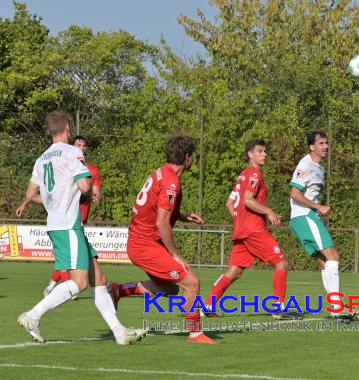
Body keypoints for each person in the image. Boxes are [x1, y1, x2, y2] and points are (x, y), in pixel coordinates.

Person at [15, 110, 146, 345]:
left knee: (100, 279)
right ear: (67, 128)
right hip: (68, 224)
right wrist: (85, 191)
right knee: (79, 282)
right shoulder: (73, 152)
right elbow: (85, 184)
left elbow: (30, 194)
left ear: (50, 131)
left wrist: (55, 198)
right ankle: (33, 316)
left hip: (58, 224)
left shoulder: (41, 159)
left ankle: (119, 332)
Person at [109, 136, 217, 344]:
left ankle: (118, 290)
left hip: (140, 242)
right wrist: (176, 255)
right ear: (187, 157)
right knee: (192, 282)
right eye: (192, 155)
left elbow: (157, 210)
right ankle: (195, 333)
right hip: (144, 244)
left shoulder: (161, 173)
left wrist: (183, 216)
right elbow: (161, 223)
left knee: (170, 289)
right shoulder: (171, 182)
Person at [202, 139, 300, 320]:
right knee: (281, 263)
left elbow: (229, 203)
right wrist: (269, 211)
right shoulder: (254, 173)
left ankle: (208, 305)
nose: (264, 154)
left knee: (235, 271)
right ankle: (279, 308)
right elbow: (247, 200)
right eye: (260, 151)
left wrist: (240, 219)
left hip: (242, 230)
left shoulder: (243, 175)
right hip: (254, 230)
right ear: (250, 154)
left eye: (265, 151)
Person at [289, 131, 359, 320]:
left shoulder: (319, 167)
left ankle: (335, 304)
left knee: (324, 261)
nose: (326, 146)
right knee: (333, 255)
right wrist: (318, 207)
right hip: (304, 216)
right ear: (311, 146)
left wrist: (317, 211)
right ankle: (337, 307)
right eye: (321, 143)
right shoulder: (305, 165)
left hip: (307, 217)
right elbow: (294, 194)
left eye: (327, 143)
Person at [42, 135, 102, 299]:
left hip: (79, 220)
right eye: (78, 144)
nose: (81, 147)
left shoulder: (92, 170)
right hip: (68, 220)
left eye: (84, 145)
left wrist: (96, 196)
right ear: (72, 147)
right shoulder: (66, 163)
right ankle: (50, 296)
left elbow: (95, 192)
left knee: (73, 261)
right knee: (78, 269)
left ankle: (53, 287)